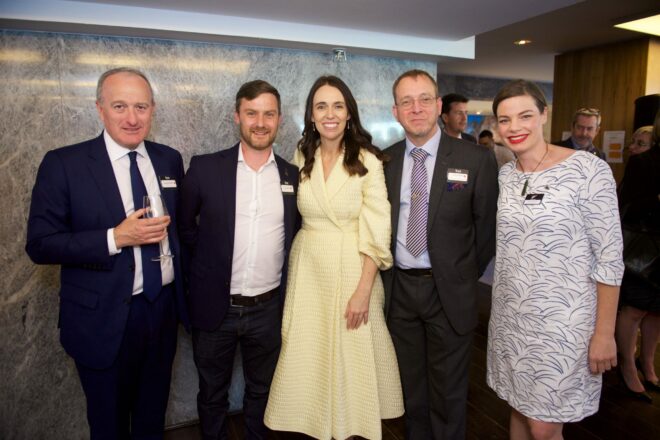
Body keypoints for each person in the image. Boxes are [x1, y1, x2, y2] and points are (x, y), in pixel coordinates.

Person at [26, 67, 189, 439]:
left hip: (161, 310)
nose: (132, 118)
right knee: (109, 424)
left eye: (141, 107)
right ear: (100, 109)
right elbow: (39, 244)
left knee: (152, 418)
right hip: (102, 320)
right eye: (120, 106)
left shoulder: (168, 160)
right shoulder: (64, 164)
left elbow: (180, 232)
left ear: (153, 110)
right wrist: (115, 237)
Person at [264, 75, 404, 440]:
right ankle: (313, 425)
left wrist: (363, 291)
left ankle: (349, 429)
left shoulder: (369, 161)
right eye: (321, 106)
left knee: (351, 361)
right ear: (311, 115)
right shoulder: (301, 156)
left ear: (349, 114)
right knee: (310, 357)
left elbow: (377, 230)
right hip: (309, 268)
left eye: (338, 106)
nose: (330, 114)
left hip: (353, 270)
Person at [486, 79, 623, 439]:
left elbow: (609, 259)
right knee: (518, 410)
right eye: (505, 119)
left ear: (544, 114)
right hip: (512, 318)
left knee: (544, 426)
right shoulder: (507, 176)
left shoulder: (588, 171)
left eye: (525, 115)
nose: (514, 127)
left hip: (564, 324)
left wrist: (605, 333)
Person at [179, 80, 299, 439]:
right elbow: (185, 230)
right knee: (212, 395)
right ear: (237, 117)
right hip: (216, 309)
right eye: (252, 113)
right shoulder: (204, 168)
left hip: (268, 309)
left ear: (279, 119)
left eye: (268, 114)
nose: (260, 122)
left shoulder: (292, 175)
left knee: (262, 393)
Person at [383, 69, 498, 439]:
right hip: (399, 291)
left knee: (448, 395)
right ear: (395, 111)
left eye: (424, 99)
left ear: (438, 106)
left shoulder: (475, 160)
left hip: (448, 292)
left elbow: (486, 232)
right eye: (406, 102)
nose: (415, 108)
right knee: (411, 391)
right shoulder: (382, 163)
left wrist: (460, 274)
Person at [615, 118, 660, 402]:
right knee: (635, 309)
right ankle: (627, 366)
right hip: (643, 249)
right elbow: (625, 208)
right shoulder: (642, 163)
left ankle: (648, 365)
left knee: (657, 311)